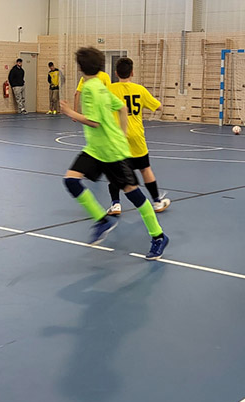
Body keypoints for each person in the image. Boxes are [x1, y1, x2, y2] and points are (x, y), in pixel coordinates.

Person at [59, 47, 169, 260]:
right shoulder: (101, 86)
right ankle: (102, 220)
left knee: (133, 193)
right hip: (96, 149)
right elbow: (122, 108)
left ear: (80, 68)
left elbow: (95, 122)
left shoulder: (91, 89)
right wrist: (123, 133)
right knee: (71, 180)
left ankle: (158, 236)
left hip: (111, 151)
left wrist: (71, 112)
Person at [107, 57, 171, 215]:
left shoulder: (109, 89)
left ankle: (116, 204)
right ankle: (157, 202)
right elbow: (159, 107)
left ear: (116, 73)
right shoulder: (140, 90)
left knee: (115, 171)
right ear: (132, 73)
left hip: (118, 136)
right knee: (145, 169)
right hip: (136, 136)